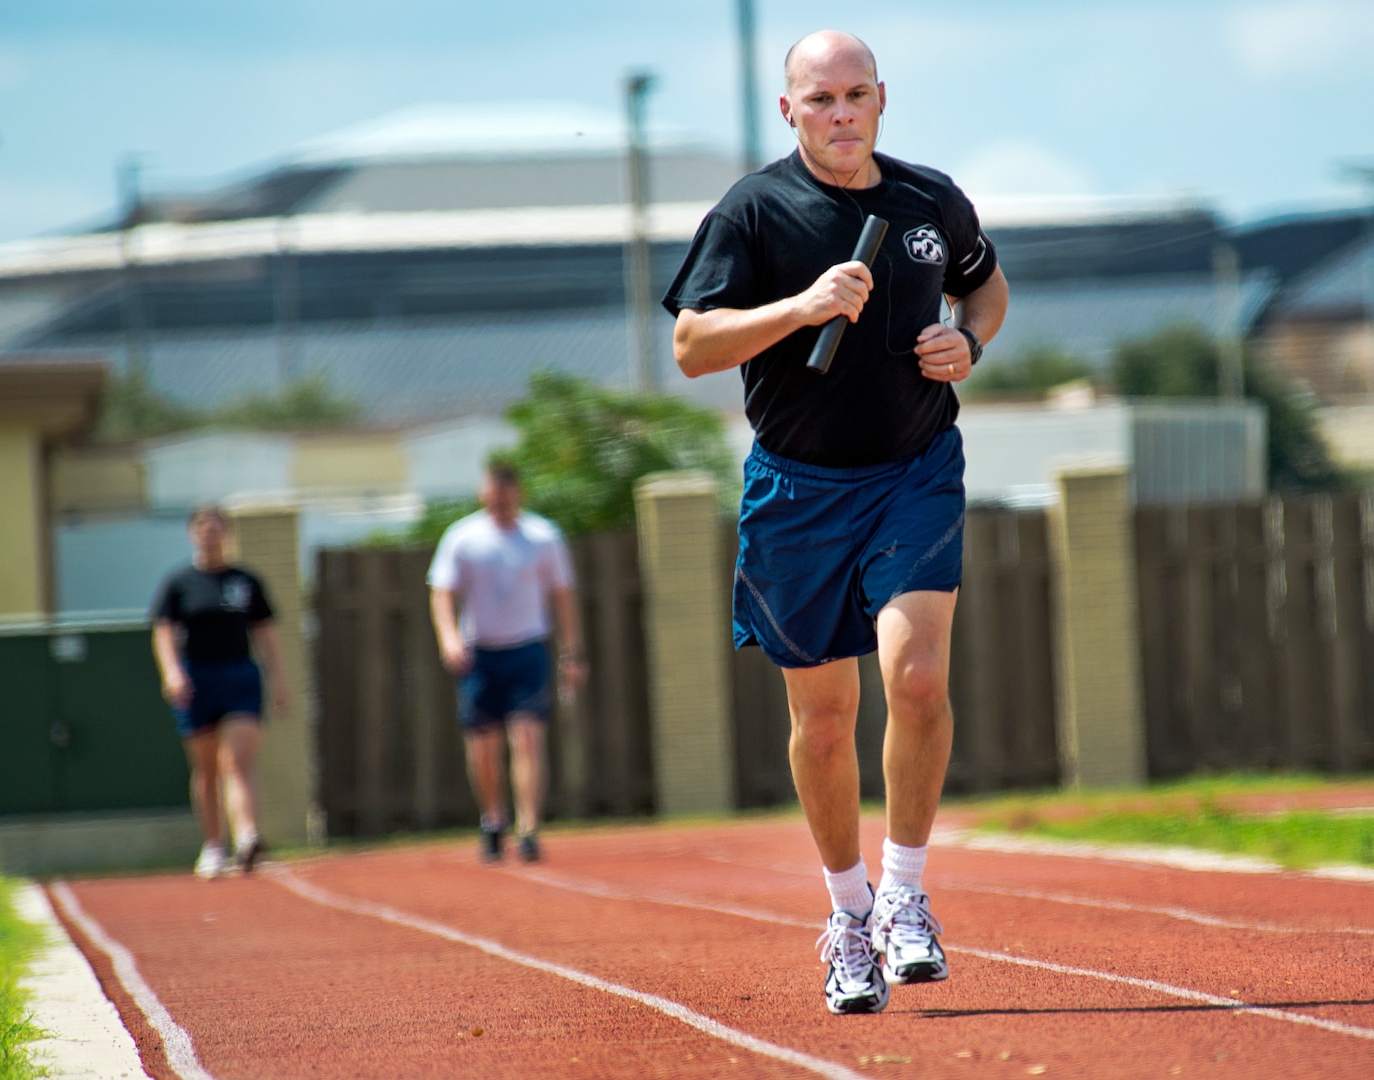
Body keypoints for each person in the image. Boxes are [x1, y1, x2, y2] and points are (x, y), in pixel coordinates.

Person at [663, 30, 1009, 1014]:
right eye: (819, 100)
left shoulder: (927, 201)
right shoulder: (753, 210)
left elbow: (983, 280)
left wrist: (968, 339)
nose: (840, 114)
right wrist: (800, 304)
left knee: (919, 676)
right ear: (788, 111)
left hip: (912, 470)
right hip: (797, 488)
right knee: (822, 726)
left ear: (881, 98)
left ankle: (904, 895)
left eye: (855, 95)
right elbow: (691, 345)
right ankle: (846, 916)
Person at [428, 461, 585, 863]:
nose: (499, 505)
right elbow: (442, 592)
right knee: (483, 744)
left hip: (527, 649)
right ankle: (493, 818)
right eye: (492, 498)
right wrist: (448, 638)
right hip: (480, 653)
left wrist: (572, 652)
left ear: (518, 494)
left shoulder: (542, 536)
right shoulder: (462, 538)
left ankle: (528, 827)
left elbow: (562, 595)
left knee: (528, 738)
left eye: (505, 497)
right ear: (483, 496)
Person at [151, 505, 290, 879]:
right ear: (193, 534)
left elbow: (266, 633)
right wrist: (172, 673)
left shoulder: (246, 581)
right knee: (207, 767)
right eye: (203, 530)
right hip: (198, 679)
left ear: (227, 534)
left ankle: (247, 836)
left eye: (217, 530)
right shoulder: (179, 583)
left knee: (237, 760)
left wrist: (278, 680)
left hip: (239, 675)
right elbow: (163, 631)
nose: (210, 536)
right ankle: (213, 845)